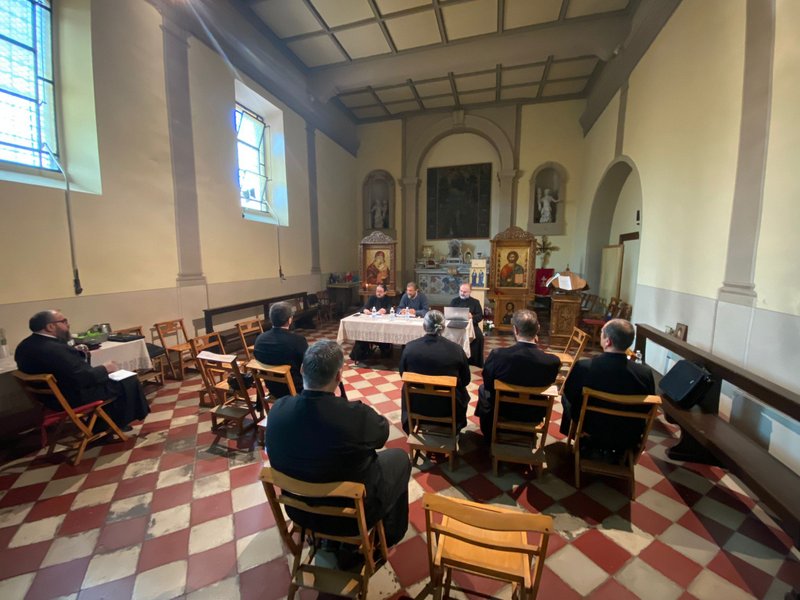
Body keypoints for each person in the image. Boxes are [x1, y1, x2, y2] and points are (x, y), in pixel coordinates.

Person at [266, 340, 412, 556]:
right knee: (399, 458)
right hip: (349, 517)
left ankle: (324, 539)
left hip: (299, 510)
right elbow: (382, 435)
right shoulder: (355, 415)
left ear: (302, 369)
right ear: (338, 376)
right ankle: (390, 535)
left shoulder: (278, 410)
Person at [14, 310, 150, 430]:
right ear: (50, 326)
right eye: (64, 321)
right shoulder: (54, 349)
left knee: (111, 379)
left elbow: (66, 370)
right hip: (72, 398)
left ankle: (105, 423)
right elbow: (82, 378)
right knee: (128, 379)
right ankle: (109, 425)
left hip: (49, 399)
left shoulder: (25, 345)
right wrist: (106, 368)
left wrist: (78, 355)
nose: (68, 325)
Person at [560, 318, 655, 453]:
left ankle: (575, 435)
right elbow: (648, 406)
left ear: (608, 341)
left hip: (591, 426)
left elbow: (570, 394)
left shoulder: (584, 367)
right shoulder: (645, 373)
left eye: (602, 333)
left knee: (566, 398)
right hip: (628, 431)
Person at [476, 310, 560, 441]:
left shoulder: (498, 355)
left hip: (503, 409)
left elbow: (488, 383)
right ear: (538, 329)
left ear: (515, 330)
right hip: (533, 413)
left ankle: (489, 432)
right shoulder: (552, 362)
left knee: (483, 389)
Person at [399, 311, 471, 434]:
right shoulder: (456, 350)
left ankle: (414, 422)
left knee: (406, 387)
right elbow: (466, 380)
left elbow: (403, 374)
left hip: (417, 404)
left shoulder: (410, 348)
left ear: (424, 326)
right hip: (448, 406)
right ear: (443, 328)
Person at [253, 301, 308, 397]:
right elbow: (307, 366)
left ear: (271, 319)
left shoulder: (259, 339)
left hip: (272, 388)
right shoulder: (298, 340)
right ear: (290, 320)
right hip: (295, 389)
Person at [350, 284, 394, 363]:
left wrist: (386, 310)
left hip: (383, 326)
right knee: (362, 333)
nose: (378, 293)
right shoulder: (372, 298)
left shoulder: (388, 299)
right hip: (372, 324)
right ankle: (362, 353)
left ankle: (384, 350)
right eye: (377, 291)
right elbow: (364, 307)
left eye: (380, 291)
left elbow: (391, 309)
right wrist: (365, 310)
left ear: (385, 292)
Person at [450, 283, 484, 367]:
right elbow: (449, 314)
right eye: (461, 291)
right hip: (456, 326)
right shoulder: (454, 301)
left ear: (470, 292)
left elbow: (480, 316)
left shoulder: (475, 302)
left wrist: (472, 316)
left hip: (472, 326)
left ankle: (473, 362)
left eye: (465, 292)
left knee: (479, 337)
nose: (462, 293)